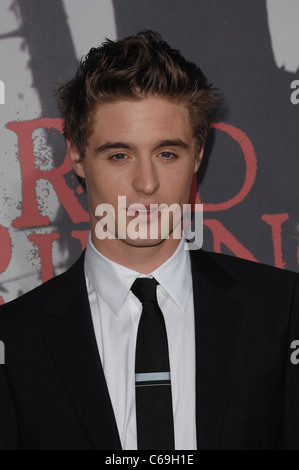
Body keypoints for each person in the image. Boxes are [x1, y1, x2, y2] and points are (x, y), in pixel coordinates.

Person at [0, 30, 298, 451]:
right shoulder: (14, 341)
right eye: (119, 155)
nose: (146, 183)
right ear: (78, 155)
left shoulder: (283, 313)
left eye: (167, 153)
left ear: (198, 155)